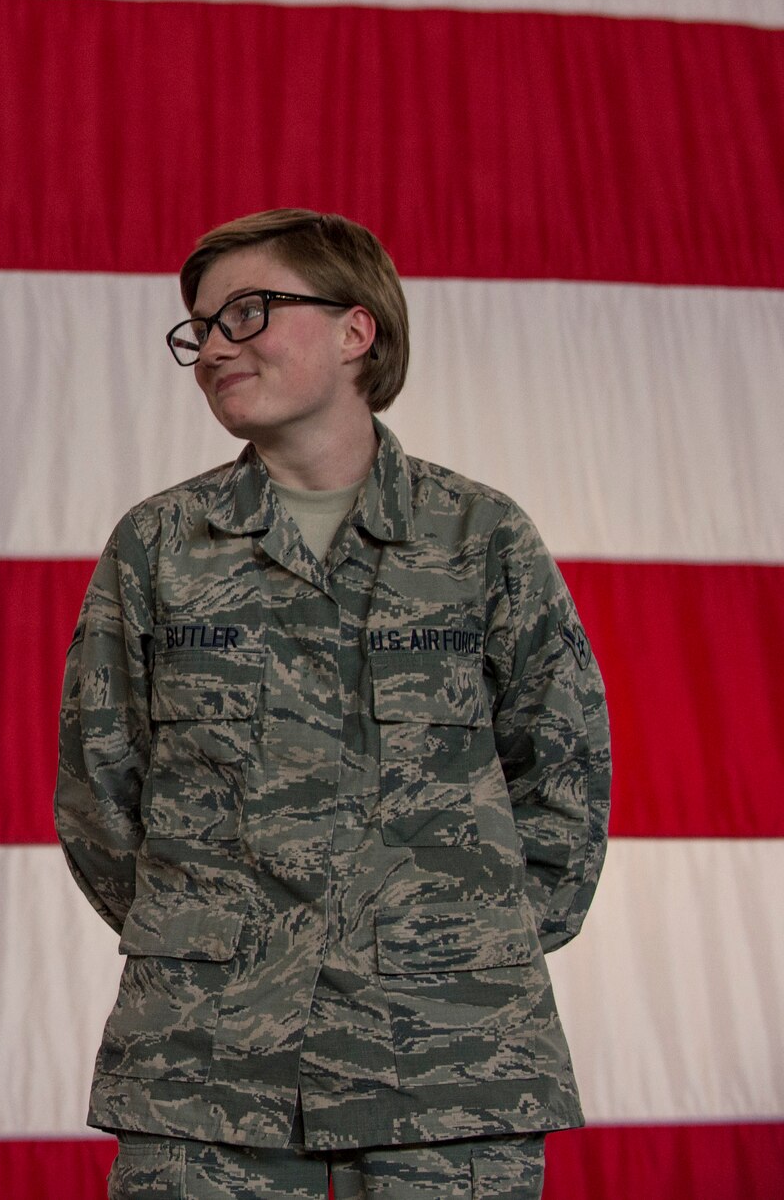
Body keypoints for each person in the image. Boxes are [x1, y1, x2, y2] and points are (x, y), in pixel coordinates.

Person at [56, 209, 610, 1199]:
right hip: (206, 1077)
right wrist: (214, 936)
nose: (213, 345)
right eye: (199, 328)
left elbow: (562, 774)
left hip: (446, 1080)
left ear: (356, 329)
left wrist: (458, 939)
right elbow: (100, 794)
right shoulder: (157, 546)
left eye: (248, 312)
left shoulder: (480, 538)